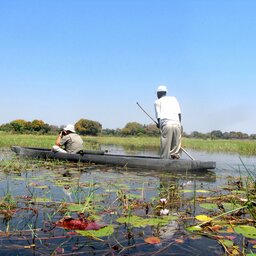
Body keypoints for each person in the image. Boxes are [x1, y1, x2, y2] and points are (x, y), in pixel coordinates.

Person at [154, 85, 182, 159]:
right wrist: (179, 124)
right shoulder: (174, 99)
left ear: (158, 93)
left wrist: (158, 124)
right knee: (175, 150)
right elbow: (179, 114)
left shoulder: (157, 102)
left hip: (167, 124)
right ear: (165, 93)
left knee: (165, 148)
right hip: (177, 124)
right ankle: (175, 162)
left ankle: (164, 163)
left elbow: (159, 118)